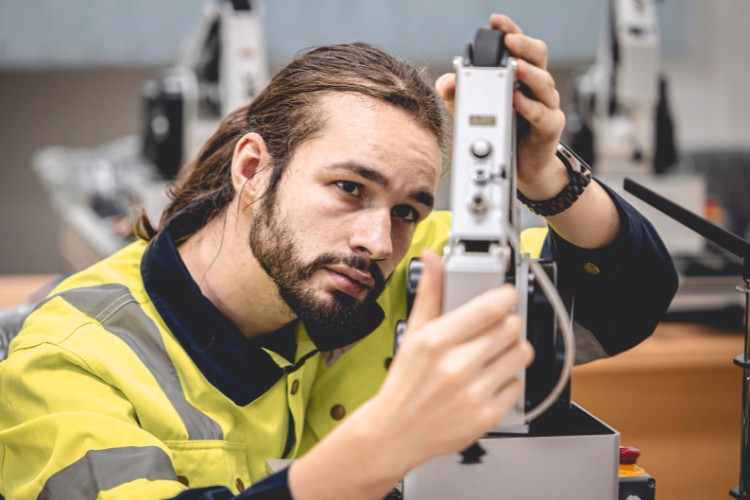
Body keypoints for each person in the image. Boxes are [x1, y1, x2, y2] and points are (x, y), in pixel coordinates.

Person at [0, 13, 677, 500]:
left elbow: (626, 297)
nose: (377, 241)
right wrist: (382, 445)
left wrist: (546, 175)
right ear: (252, 169)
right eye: (349, 188)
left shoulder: (414, 275)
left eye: (409, 209)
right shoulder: (73, 359)